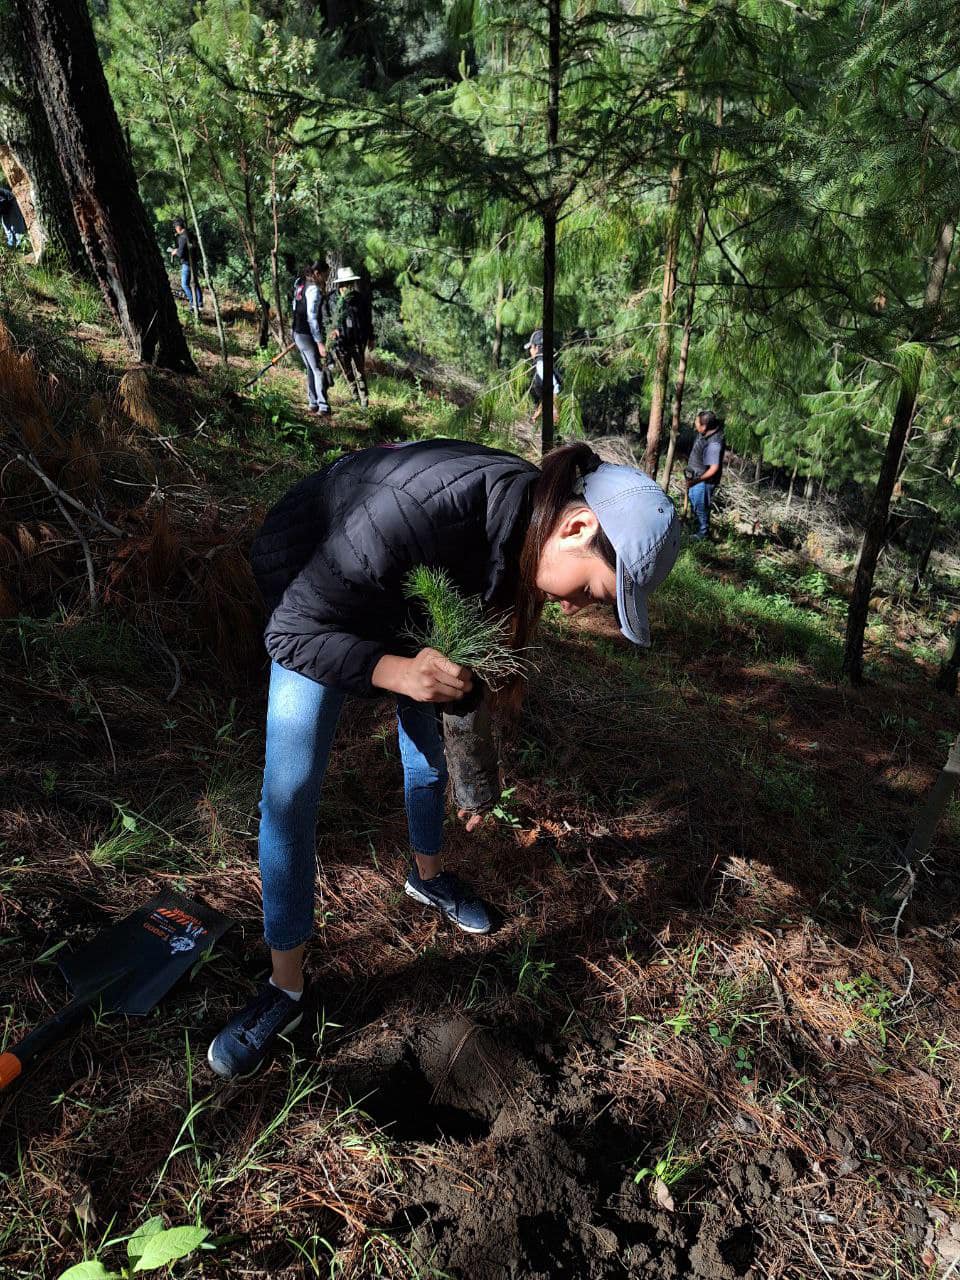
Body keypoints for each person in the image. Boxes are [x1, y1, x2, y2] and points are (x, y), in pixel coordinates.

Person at [206, 438, 680, 1078]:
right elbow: (290, 634)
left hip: (395, 587)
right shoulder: (424, 509)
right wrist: (392, 669)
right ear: (577, 526)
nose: (580, 610)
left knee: (424, 748)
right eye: (598, 592)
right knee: (291, 793)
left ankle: (427, 877)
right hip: (313, 586)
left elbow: (464, 650)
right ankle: (285, 990)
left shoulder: (526, 522)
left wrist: (469, 768)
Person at [291, 262, 333, 416]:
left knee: (310, 368)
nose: (326, 279)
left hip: (297, 331)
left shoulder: (300, 283)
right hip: (307, 333)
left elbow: (294, 306)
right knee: (318, 370)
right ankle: (323, 406)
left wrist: (294, 331)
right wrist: (319, 342)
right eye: (325, 275)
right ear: (317, 273)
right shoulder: (313, 289)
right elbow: (312, 317)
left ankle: (313, 403)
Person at [329, 266, 372, 408]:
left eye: (350, 283)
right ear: (339, 284)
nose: (348, 287)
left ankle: (364, 401)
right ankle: (354, 396)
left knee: (359, 371)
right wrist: (332, 331)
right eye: (345, 284)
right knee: (347, 370)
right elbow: (326, 319)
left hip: (358, 341)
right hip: (340, 343)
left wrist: (371, 337)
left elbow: (367, 319)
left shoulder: (360, 299)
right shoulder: (332, 299)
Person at [685, 410, 725, 540]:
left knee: (701, 508)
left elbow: (713, 468)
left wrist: (696, 481)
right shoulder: (704, 433)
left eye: (697, 422)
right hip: (695, 479)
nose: (695, 424)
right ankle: (696, 529)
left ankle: (703, 535)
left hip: (703, 482)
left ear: (704, 426)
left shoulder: (714, 443)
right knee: (696, 506)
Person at [524, 329, 561, 427]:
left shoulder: (541, 364)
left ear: (538, 347)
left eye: (531, 347)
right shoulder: (545, 362)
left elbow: (554, 388)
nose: (530, 351)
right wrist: (537, 414)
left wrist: (555, 410)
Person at [168, 217, 203, 311]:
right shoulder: (191, 234)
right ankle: (199, 304)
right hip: (195, 263)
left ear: (178, 227)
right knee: (195, 283)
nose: (175, 229)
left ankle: (193, 303)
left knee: (184, 285)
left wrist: (175, 252)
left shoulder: (182, 237)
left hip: (187, 264)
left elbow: (180, 253)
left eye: (175, 227)